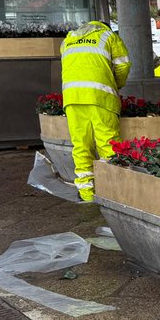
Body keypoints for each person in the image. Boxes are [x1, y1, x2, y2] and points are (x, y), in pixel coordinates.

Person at [60, 20, 131, 201]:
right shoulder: (109, 36)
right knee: (109, 144)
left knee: (81, 145)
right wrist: (116, 85)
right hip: (101, 98)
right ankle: (115, 192)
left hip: (73, 99)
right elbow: (123, 65)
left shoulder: (69, 39)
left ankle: (86, 193)